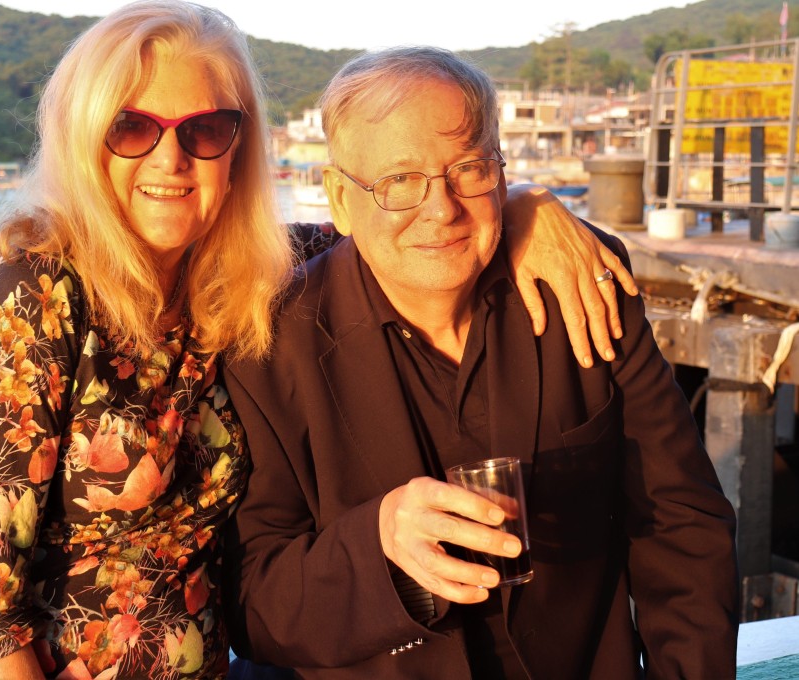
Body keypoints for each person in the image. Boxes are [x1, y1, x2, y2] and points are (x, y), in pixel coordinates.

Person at [0, 3, 636, 678]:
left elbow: (403, 224)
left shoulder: (252, 272)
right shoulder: (36, 290)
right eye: (132, 127)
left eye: (205, 130)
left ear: (240, 145)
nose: (169, 158)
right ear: (86, 138)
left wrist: (521, 206)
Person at [222, 47, 739, 680]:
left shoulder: (581, 285)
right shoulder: (267, 346)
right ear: (339, 197)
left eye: (467, 168)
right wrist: (377, 547)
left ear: (501, 169)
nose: (440, 209)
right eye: (399, 182)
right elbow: (249, 602)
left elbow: (682, 526)